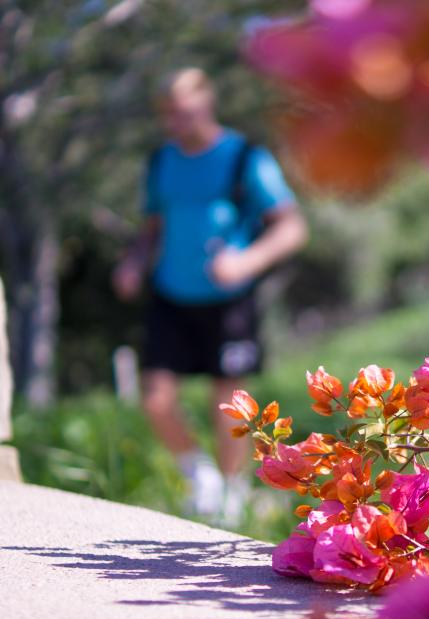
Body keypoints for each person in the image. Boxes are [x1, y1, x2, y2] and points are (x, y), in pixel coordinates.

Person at [112, 68, 308, 523]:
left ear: (207, 103)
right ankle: (200, 477)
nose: (175, 122)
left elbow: (292, 227)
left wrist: (246, 261)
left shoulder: (245, 157)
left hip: (229, 296)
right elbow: (153, 226)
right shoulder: (161, 161)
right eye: (167, 114)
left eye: (183, 111)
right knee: (155, 398)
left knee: (230, 402)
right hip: (171, 292)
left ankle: (232, 495)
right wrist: (134, 262)